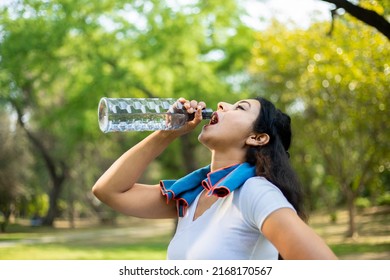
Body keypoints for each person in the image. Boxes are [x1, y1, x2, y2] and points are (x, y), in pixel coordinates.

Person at [92, 97, 337, 260]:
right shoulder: (193, 195)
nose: (221, 104)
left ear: (258, 138)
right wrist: (166, 133)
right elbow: (108, 191)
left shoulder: (254, 192)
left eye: (240, 107)